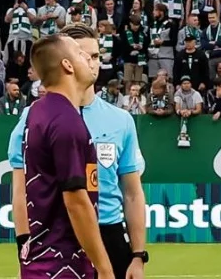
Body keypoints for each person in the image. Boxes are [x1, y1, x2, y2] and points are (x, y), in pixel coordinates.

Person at [10, 25, 150, 279]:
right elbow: (22, 190)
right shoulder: (39, 117)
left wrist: (138, 254)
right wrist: (24, 245)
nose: (92, 62)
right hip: (61, 237)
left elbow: (132, 193)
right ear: (67, 63)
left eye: (96, 56)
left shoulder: (121, 120)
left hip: (109, 234)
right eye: (83, 55)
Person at [19, 33, 118, 279]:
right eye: (79, 52)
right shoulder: (66, 122)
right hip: (62, 265)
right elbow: (75, 200)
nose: (88, 58)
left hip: (42, 260)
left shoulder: (38, 112)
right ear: (67, 65)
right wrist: (105, 269)